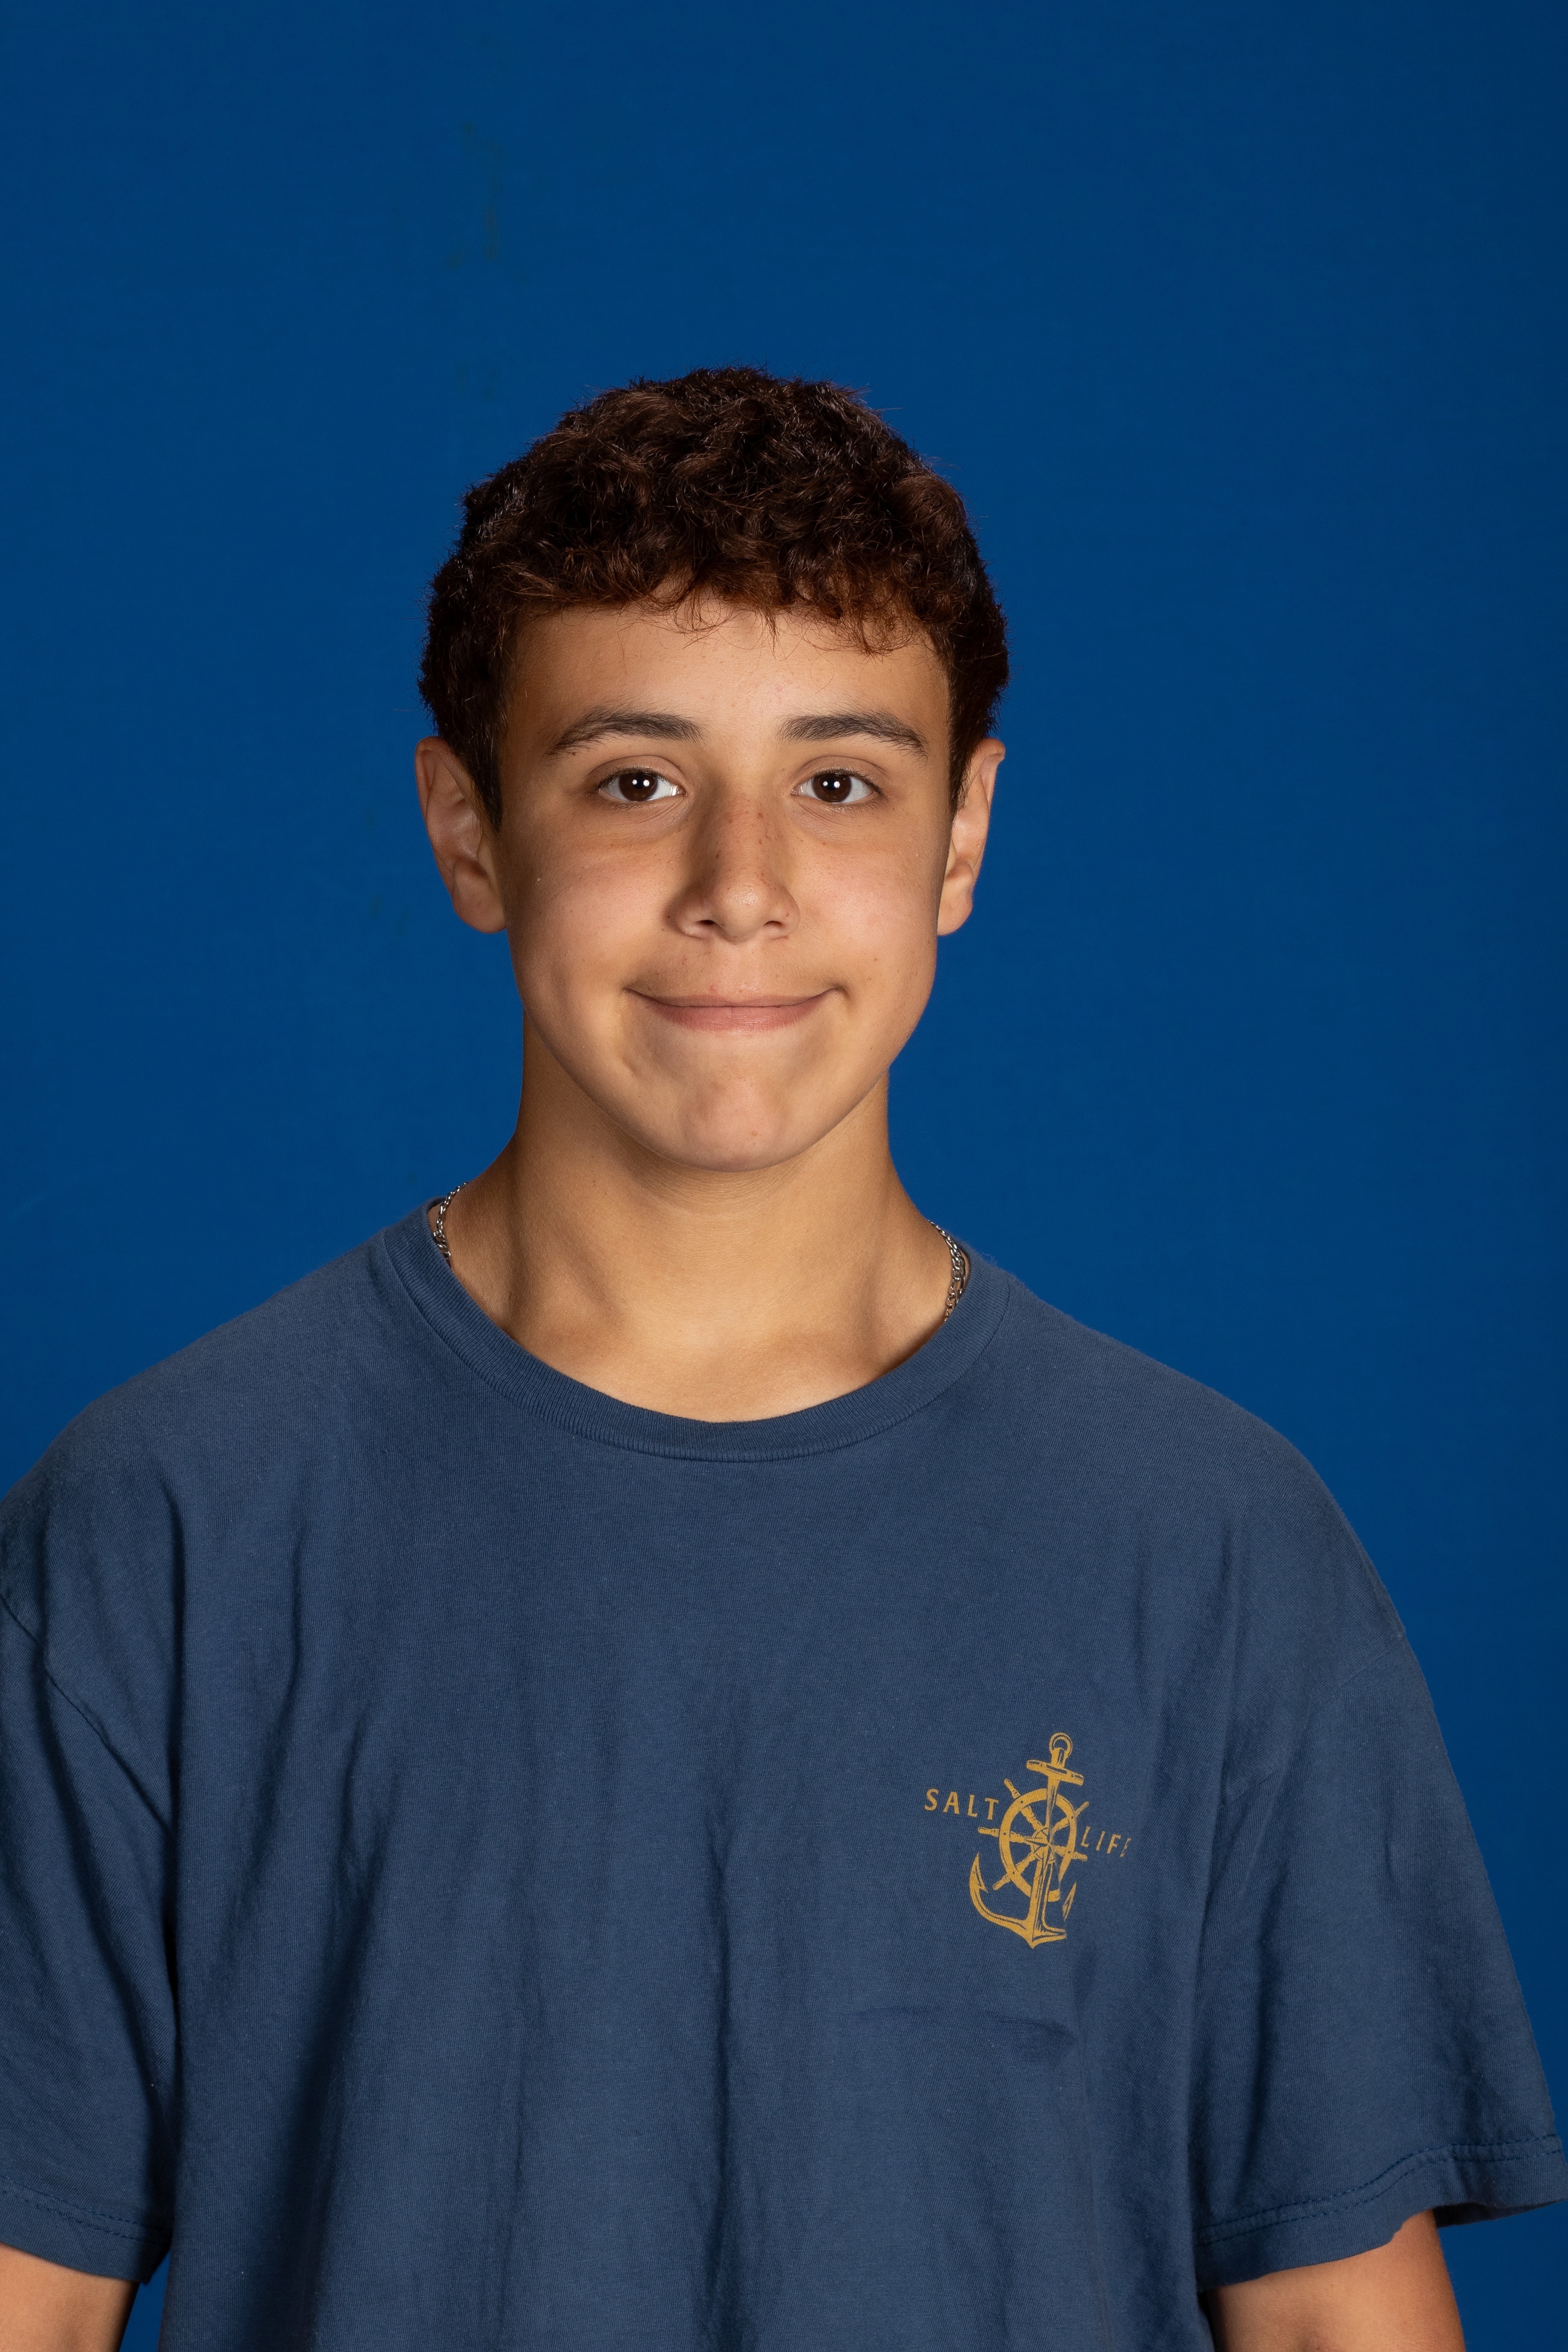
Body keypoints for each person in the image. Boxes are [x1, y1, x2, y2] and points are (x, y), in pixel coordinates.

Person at [0, 367, 1561, 2352]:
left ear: (962, 836)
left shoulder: (1220, 1552)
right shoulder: (163, 1531)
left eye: (839, 784)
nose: (738, 885)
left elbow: (1341, 2315)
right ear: (469, 831)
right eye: (633, 781)